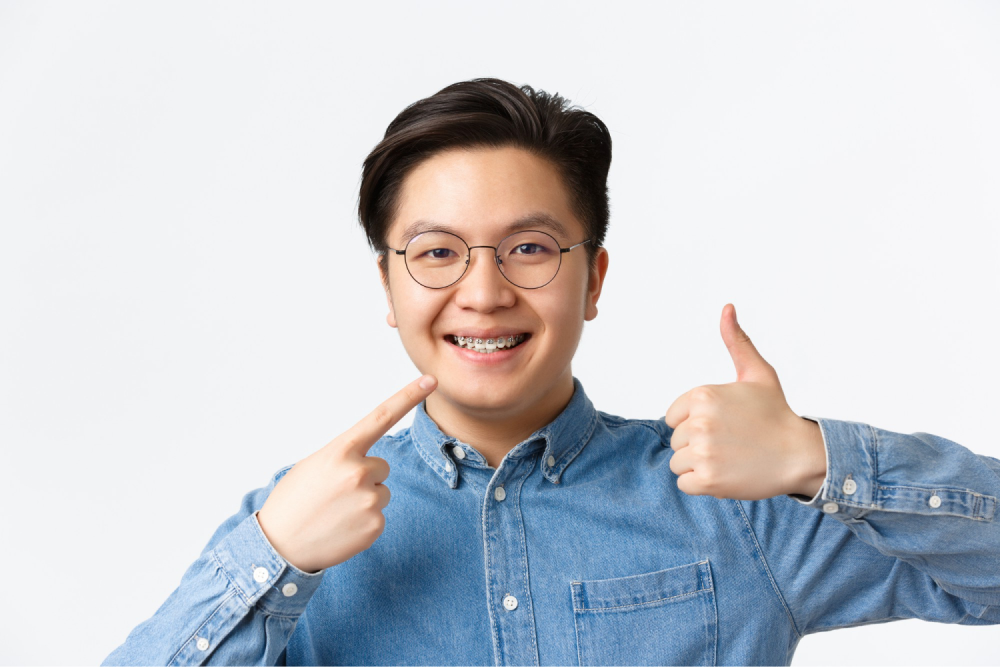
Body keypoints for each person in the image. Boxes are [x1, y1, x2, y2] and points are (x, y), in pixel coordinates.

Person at [103, 78, 1000, 666]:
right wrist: (274, 554)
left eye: (529, 247)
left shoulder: (735, 502)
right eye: (436, 252)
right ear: (387, 282)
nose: (484, 293)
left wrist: (815, 459)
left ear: (592, 278)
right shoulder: (302, 523)